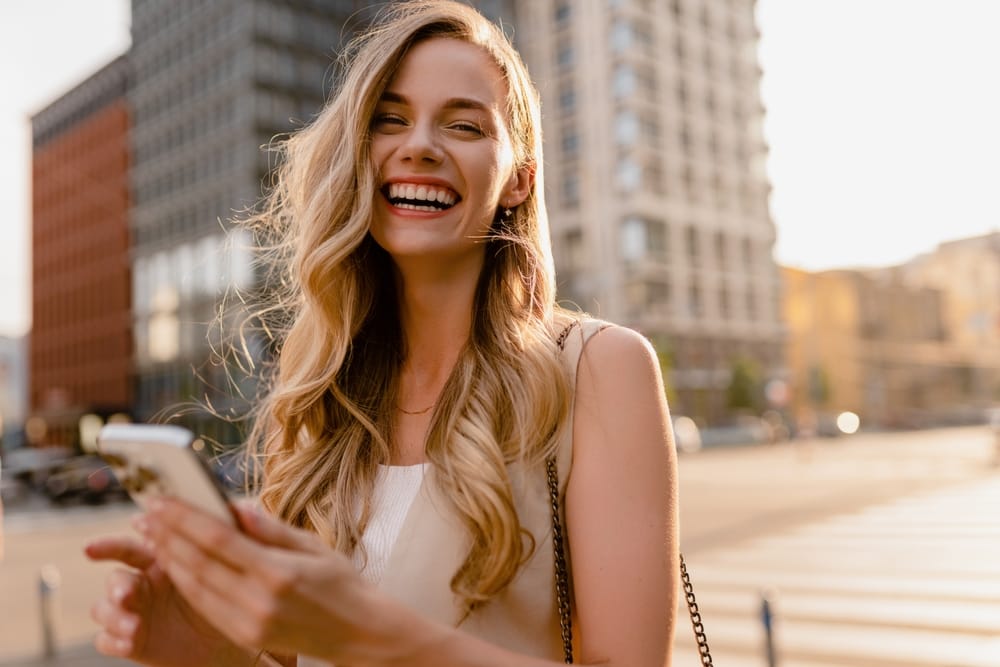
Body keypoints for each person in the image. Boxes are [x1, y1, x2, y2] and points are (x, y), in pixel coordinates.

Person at [85, 2, 679, 665]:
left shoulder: (599, 367)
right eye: (389, 119)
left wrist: (361, 630)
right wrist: (203, 650)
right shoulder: (320, 395)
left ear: (519, 178)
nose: (419, 144)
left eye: (463, 124)